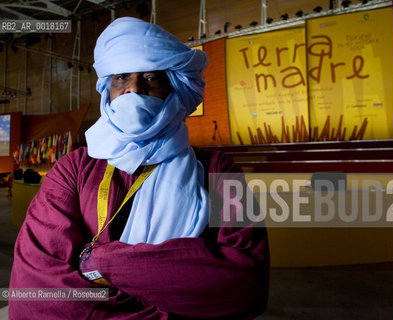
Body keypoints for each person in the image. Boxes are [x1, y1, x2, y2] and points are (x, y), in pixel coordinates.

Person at [9, 17, 269, 319]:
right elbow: (36, 292)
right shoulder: (74, 169)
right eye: (121, 77)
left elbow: (244, 287)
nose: (133, 90)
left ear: (174, 90)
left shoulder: (217, 170)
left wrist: (96, 262)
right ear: (107, 89)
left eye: (150, 78)